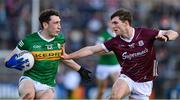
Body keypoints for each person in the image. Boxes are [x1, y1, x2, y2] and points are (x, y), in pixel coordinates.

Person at [62, 8, 179, 99]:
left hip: (145, 82)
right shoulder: (114, 42)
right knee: (115, 96)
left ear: (126, 23)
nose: (112, 27)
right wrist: (68, 56)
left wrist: (167, 37)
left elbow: (174, 33)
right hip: (127, 77)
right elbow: (91, 50)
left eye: (115, 23)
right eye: (112, 23)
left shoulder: (145, 33)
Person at [4, 9, 92, 100]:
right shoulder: (29, 40)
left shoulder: (60, 39)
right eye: (56, 23)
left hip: (47, 85)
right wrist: (11, 63)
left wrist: (81, 70)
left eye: (59, 23)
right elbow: (7, 59)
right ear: (45, 25)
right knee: (28, 96)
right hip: (29, 79)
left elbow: (63, 57)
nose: (59, 26)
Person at [95, 25, 121, 99]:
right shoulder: (103, 36)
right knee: (101, 91)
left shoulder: (119, 34)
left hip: (115, 66)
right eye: (112, 22)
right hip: (103, 66)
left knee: (118, 90)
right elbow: (97, 51)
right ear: (108, 24)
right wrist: (113, 51)